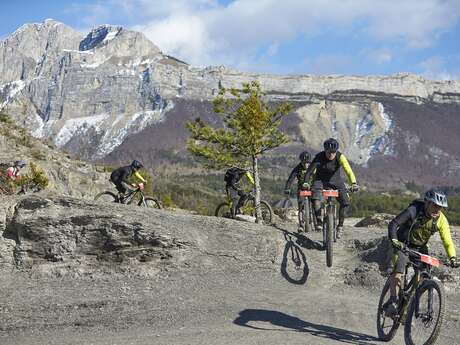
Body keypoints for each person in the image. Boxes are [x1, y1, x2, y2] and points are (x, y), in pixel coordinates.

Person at [383, 189, 458, 317]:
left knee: (425, 275)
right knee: (398, 271)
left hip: (420, 247)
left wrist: (452, 257)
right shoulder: (414, 210)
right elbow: (393, 224)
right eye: (435, 205)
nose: (437, 210)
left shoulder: (441, 220)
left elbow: (447, 241)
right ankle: (393, 302)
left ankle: (410, 304)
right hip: (402, 243)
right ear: (427, 203)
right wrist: (395, 240)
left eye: (440, 207)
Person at [301, 138, 359, 238]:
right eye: (329, 152)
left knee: (345, 202)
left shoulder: (340, 157)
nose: (331, 154)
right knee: (316, 197)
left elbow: (348, 171)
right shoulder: (319, 156)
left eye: (333, 152)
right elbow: (309, 172)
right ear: (325, 150)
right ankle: (319, 221)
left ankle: (340, 226)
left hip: (336, 181)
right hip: (320, 180)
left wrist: (353, 183)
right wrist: (306, 182)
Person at [284, 151, 312, 232]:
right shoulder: (298, 168)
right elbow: (291, 179)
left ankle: (317, 221)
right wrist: (287, 188)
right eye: (304, 163)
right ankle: (301, 225)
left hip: (312, 188)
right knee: (300, 207)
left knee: (315, 202)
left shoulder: (313, 167)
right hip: (301, 189)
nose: (306, 165)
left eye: (307, 163)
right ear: (301, 162)